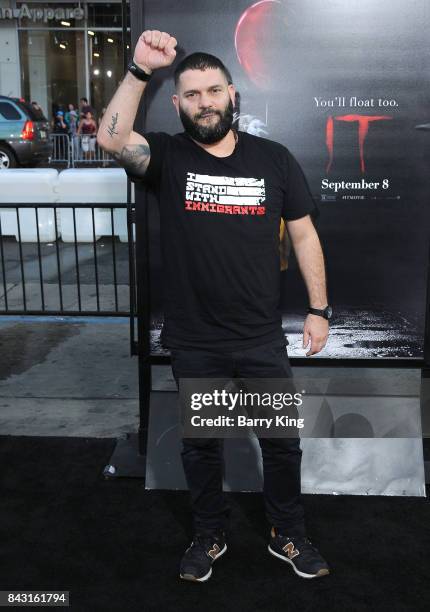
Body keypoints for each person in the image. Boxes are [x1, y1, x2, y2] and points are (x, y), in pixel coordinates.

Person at [97, 30, 332, 582]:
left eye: (213, 90)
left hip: (259, 338)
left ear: (233, 95)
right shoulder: (167, 158)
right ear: (178, 104)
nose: (205, 102)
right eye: (193, 94)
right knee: (202, 447)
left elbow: (303, 235)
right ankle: (209, 534)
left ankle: (288, 534)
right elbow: (110, 141)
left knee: (281, 445)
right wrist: (137, 69)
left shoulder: (274, 159)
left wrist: (320, 309)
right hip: (196, 340)